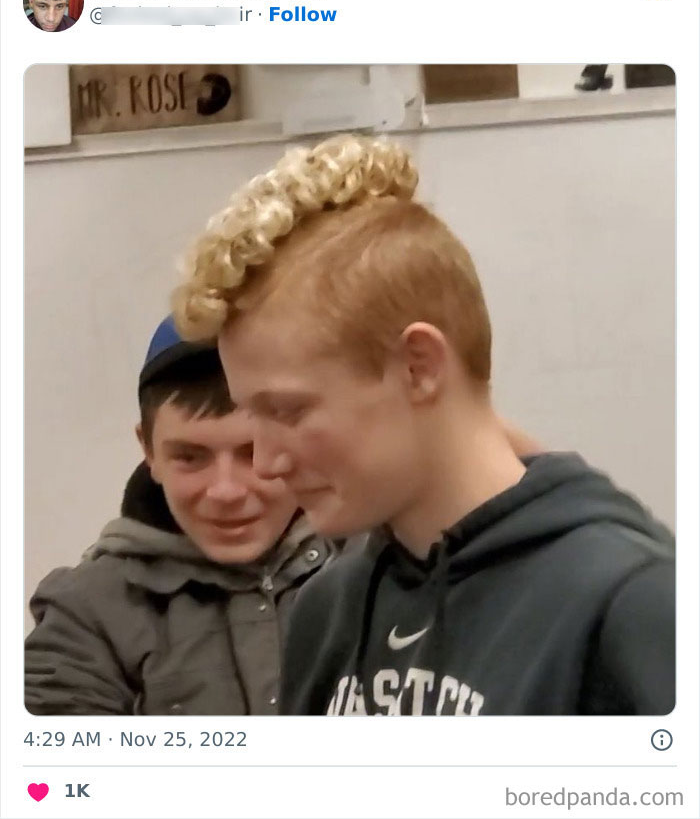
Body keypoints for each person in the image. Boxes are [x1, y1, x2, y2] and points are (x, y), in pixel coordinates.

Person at [171, 134, 675, 716]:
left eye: (288, 412)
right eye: (252, 415)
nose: (265, 463)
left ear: (419, 367)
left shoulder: (630, 607)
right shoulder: (329, 611)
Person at [25, 316, 334, 715]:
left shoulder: (386, 566)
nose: (226, 491)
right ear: (148, 451)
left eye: (254, 451)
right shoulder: (86, 613)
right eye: (189, 457)